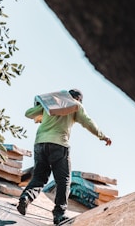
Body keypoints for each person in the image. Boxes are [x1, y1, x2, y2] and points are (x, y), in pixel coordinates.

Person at [17, 89, 111, 225]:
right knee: (63, 181)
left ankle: (26, 198)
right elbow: (87, 122)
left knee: (39, 177)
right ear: (78, 99)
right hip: (59, 145)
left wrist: (41, 106)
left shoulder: (51, 103)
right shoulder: (76, 106)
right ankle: (59, 214)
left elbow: (28, 114)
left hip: (40, 144)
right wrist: (102, 136)